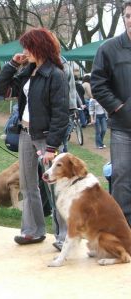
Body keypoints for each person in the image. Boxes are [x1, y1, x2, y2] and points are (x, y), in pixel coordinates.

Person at [0, 28, 69, 246]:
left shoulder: (55, 75)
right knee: (28, 186)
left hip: (46, 138)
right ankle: (33, 230)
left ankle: (64, 237)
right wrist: (12, 64)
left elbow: (60, 114)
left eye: (28, 46)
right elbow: (2, 88)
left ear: (39, 47)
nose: (25, 51)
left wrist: (52, 147)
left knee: (54, 188)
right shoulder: (29, 71)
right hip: (26, 134)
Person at [91, 0, 131, 226]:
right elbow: (98, 84)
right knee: (122, 178)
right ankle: (122, 230)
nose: (130, 20)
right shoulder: (109, 48)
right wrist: (118, 107)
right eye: (127, 15)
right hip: (123, 128)